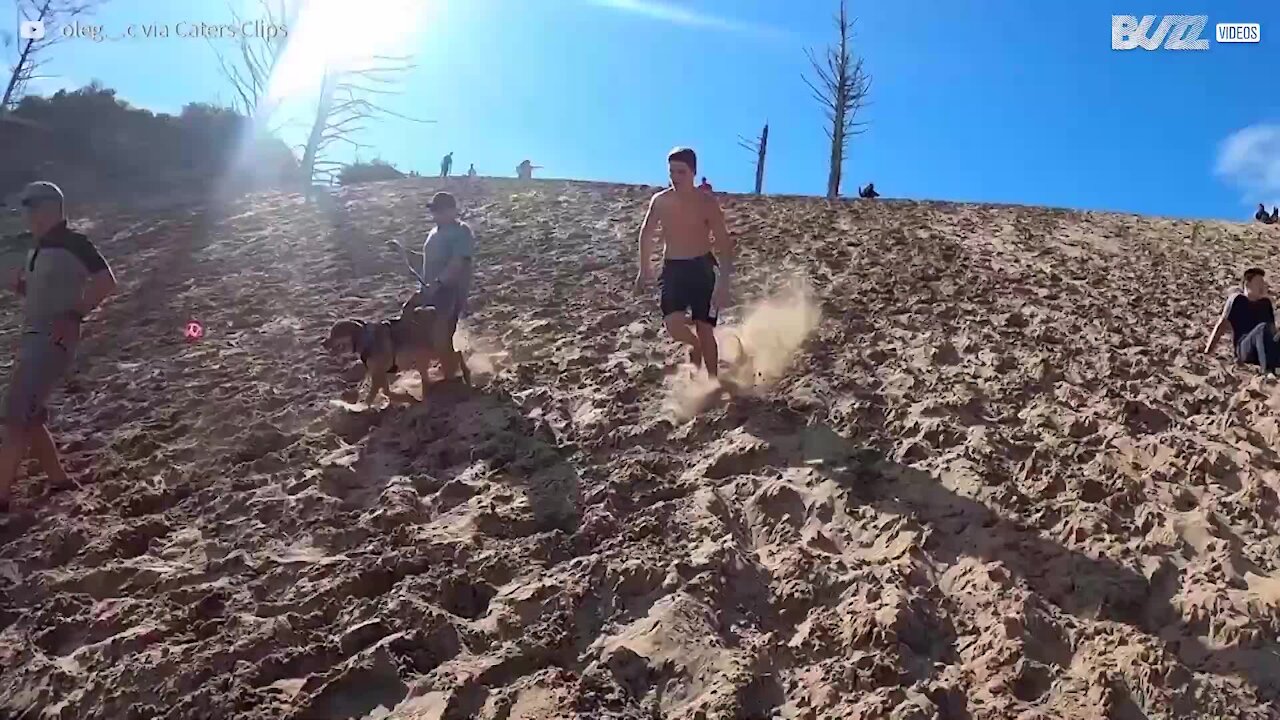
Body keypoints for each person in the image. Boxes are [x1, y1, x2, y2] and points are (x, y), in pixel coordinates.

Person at [0, 181, 117, 513]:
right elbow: (42, 293)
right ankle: (58, 479)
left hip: (52, 341)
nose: (27, 214)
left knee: (14, 414)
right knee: (29, 414)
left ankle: (1, 496)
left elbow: (106, 281)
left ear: (52, 207)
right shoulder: (37, 248)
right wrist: (21, 287)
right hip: (31, 337)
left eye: (31, 206)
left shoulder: (74, 243)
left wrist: (74, 315)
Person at [635, 147, 736, 378]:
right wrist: (644, 268)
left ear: (693, 172)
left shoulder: (707, 202)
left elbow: (723, 242)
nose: (675, 178)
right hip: (673, 269)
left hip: (702, 268)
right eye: (671, 172)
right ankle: (695, 345)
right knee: (673, 325)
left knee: (705, 328)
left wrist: (724, 283)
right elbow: (646, 234)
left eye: (681, 172)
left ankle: (713, 382)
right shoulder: (660, 201)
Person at [408, 192, 473, 381]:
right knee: (422, 329)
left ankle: (453, 376)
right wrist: (403, 252)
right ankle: (444, 369)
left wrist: (438, 283)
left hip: (450, 291)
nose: (435, 215)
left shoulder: (461, 231)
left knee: (441, 332)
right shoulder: (434, 232)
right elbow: (429, 261)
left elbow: (458, 262)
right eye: (434, 211)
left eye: (440, 211)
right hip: (431, 291)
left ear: (452, 210)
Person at [1205, 267, 1279, 374]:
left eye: (1263, 283)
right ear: (1247, 284)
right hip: (1244, 349)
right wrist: (1208, 351)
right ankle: (1267, 371)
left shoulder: (1265, 304)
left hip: (1263, 350)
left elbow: (1272, 332)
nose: (1262, 286)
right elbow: (1221, 325)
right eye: (1258, 283)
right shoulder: (1237, 300)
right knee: (1262, 328)